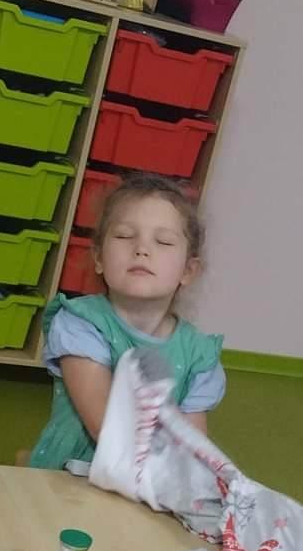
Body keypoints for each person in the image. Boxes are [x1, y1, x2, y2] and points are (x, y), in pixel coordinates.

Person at [29, 173, 224, 470]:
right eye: (124, 236)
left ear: (188, 270)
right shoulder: (81, 324)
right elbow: (104, 426)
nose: (141, 249)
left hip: (152, 481)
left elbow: (193, 447)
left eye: (163, 241)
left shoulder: (198, 354)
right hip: (71, 475)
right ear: (99, 258)